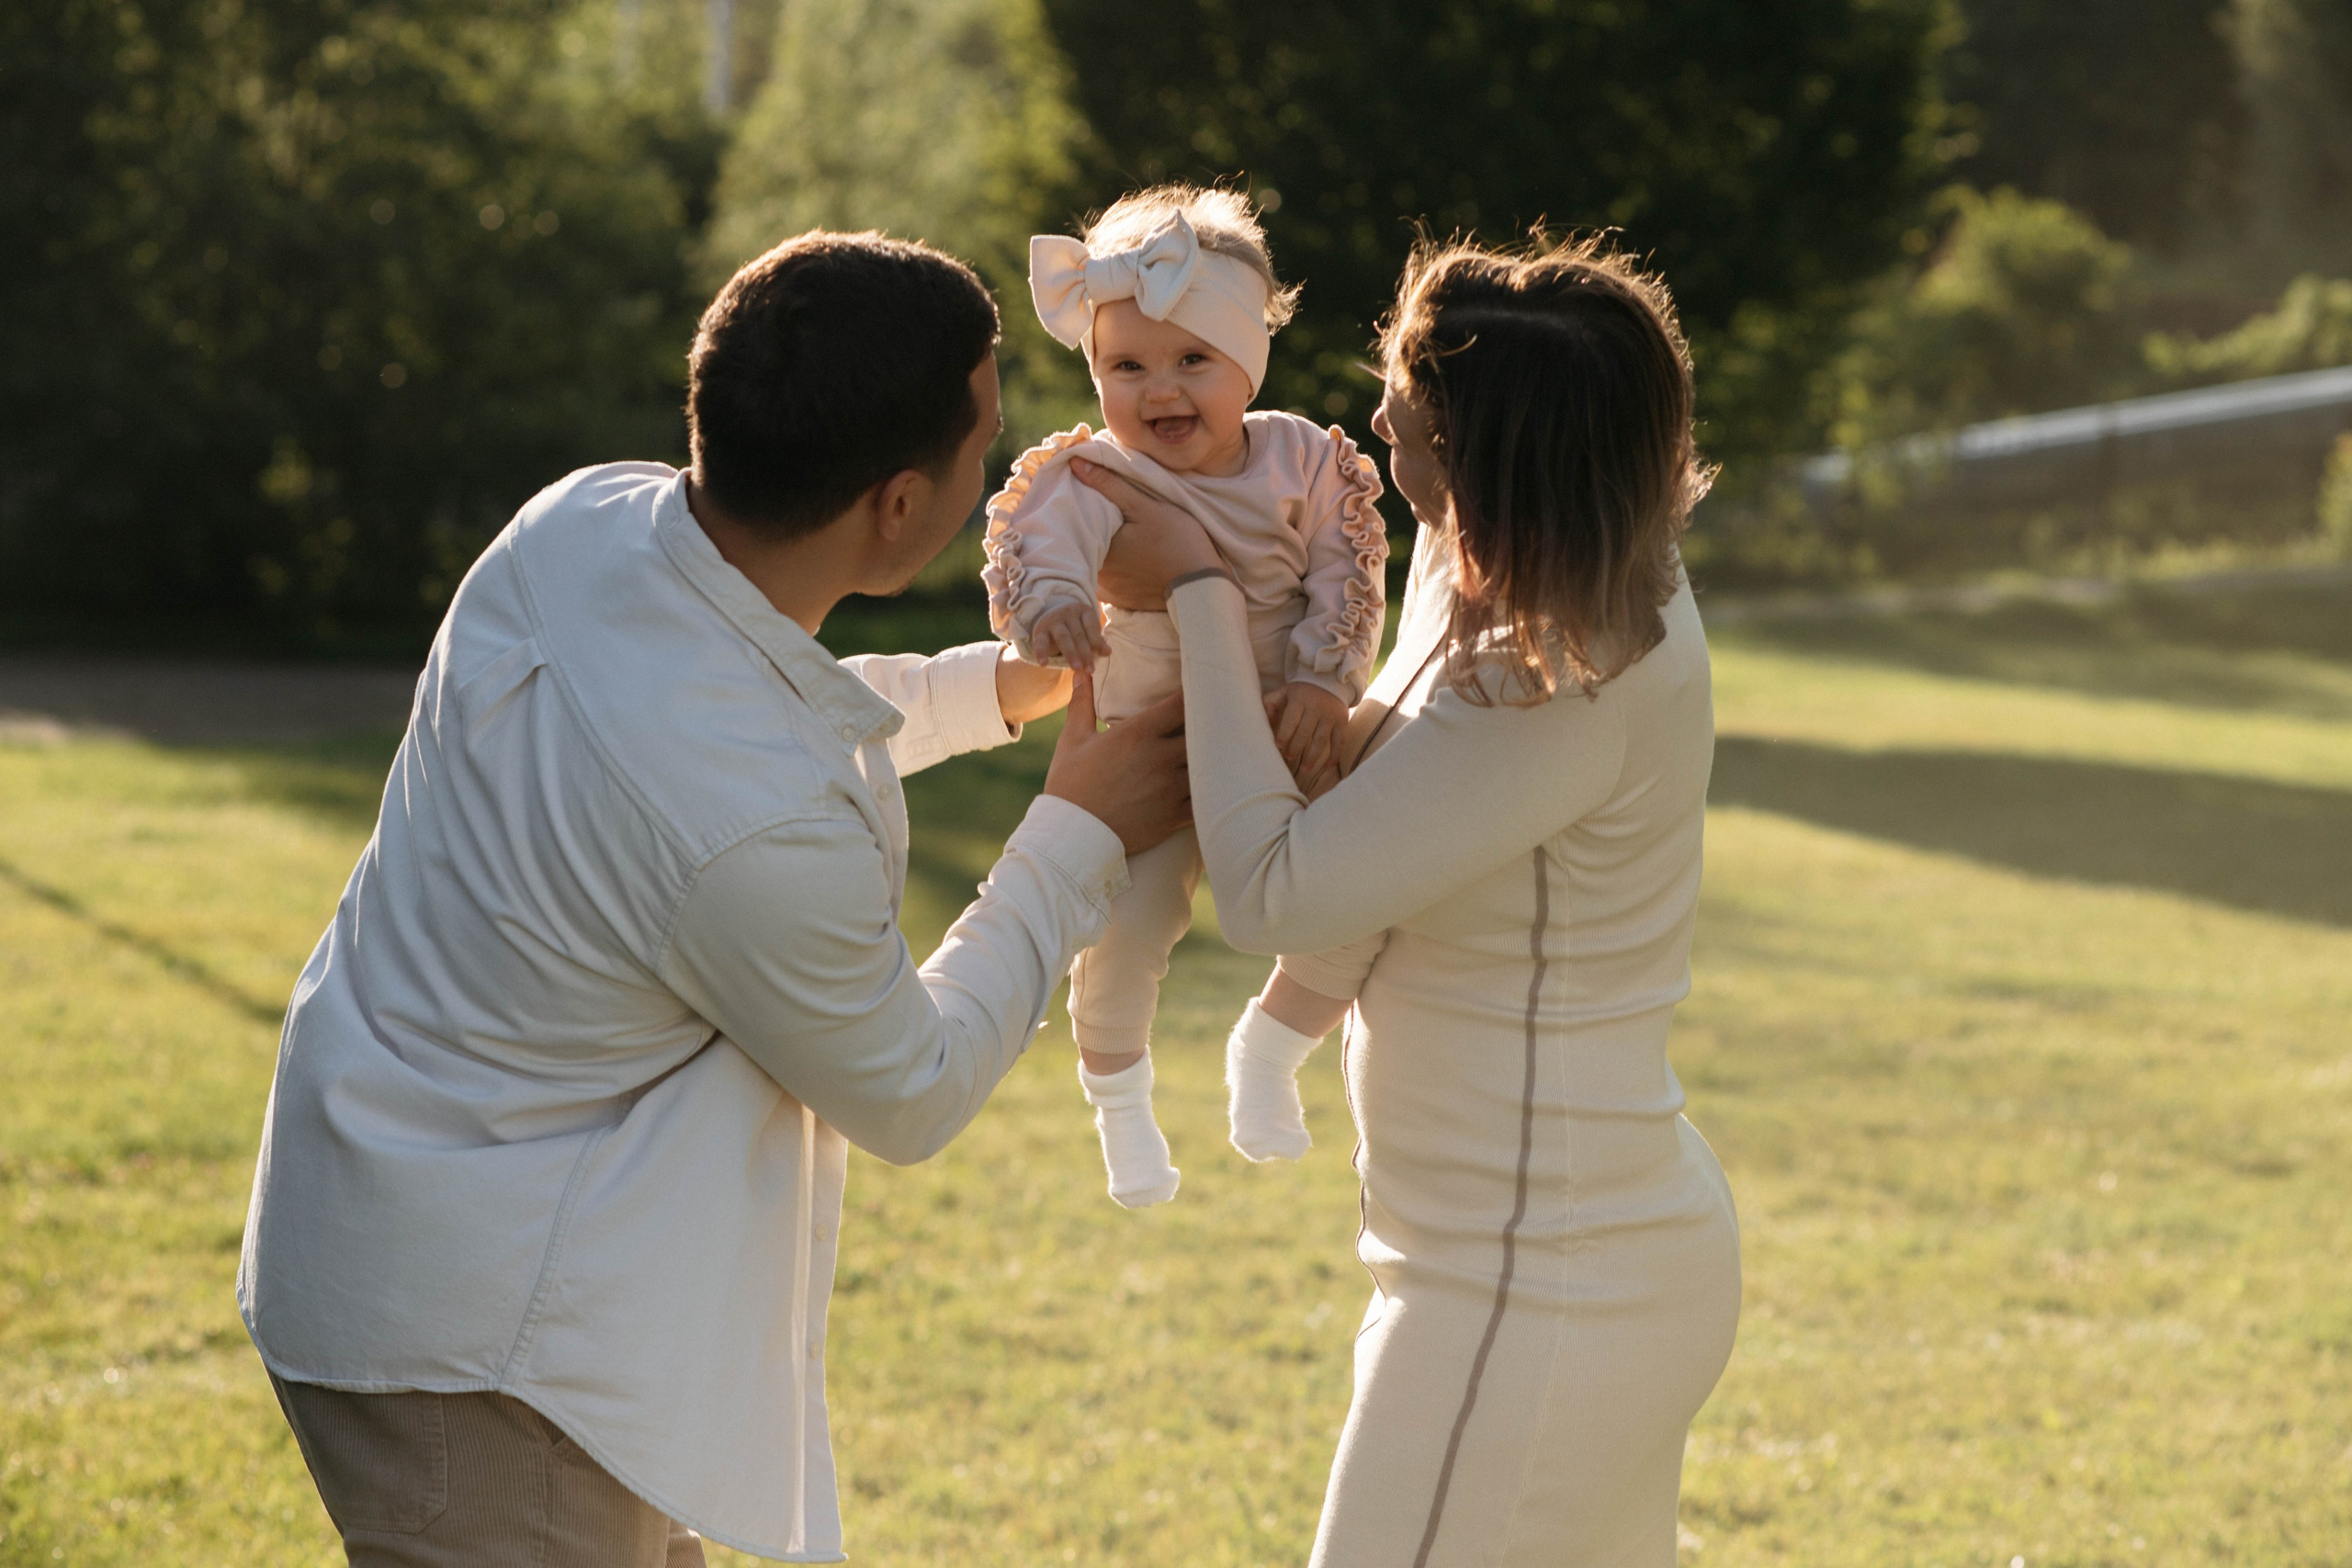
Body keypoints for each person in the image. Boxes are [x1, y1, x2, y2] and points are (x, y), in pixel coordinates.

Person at [235, 231, 1190, 1566]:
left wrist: (1001, 685)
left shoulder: (581, 524)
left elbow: (756, 723)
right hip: (471, 1346)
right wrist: (1079, 832)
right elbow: (908, 1081)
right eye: (986, 440)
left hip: (409, 1239)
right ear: (900, 504)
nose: (1000, 466)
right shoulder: (750, 824)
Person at [1080, 234, 1742, 1566]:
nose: (1375, 417)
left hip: (1539, 1284)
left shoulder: (1562, 673)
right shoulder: (1501, 561)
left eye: (1413, 413)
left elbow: (1276, 892)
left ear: (1504, 463)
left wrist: (1200, 590)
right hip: (1547, 1256)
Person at [981, 185, 1386, 1207]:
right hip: (1151, 747)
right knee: (1123, 939)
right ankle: (1122, 1115)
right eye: (1127, 367)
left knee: (1360, 897)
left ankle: (1270, 1047)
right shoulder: (1095, 475)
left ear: (1246, 363)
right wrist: (1058, 606)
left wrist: (1317, 680)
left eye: (1191, 361)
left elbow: (1347, 575)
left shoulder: (1302, 458)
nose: (1159, 390)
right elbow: (1044, 544)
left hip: (1285, 730)